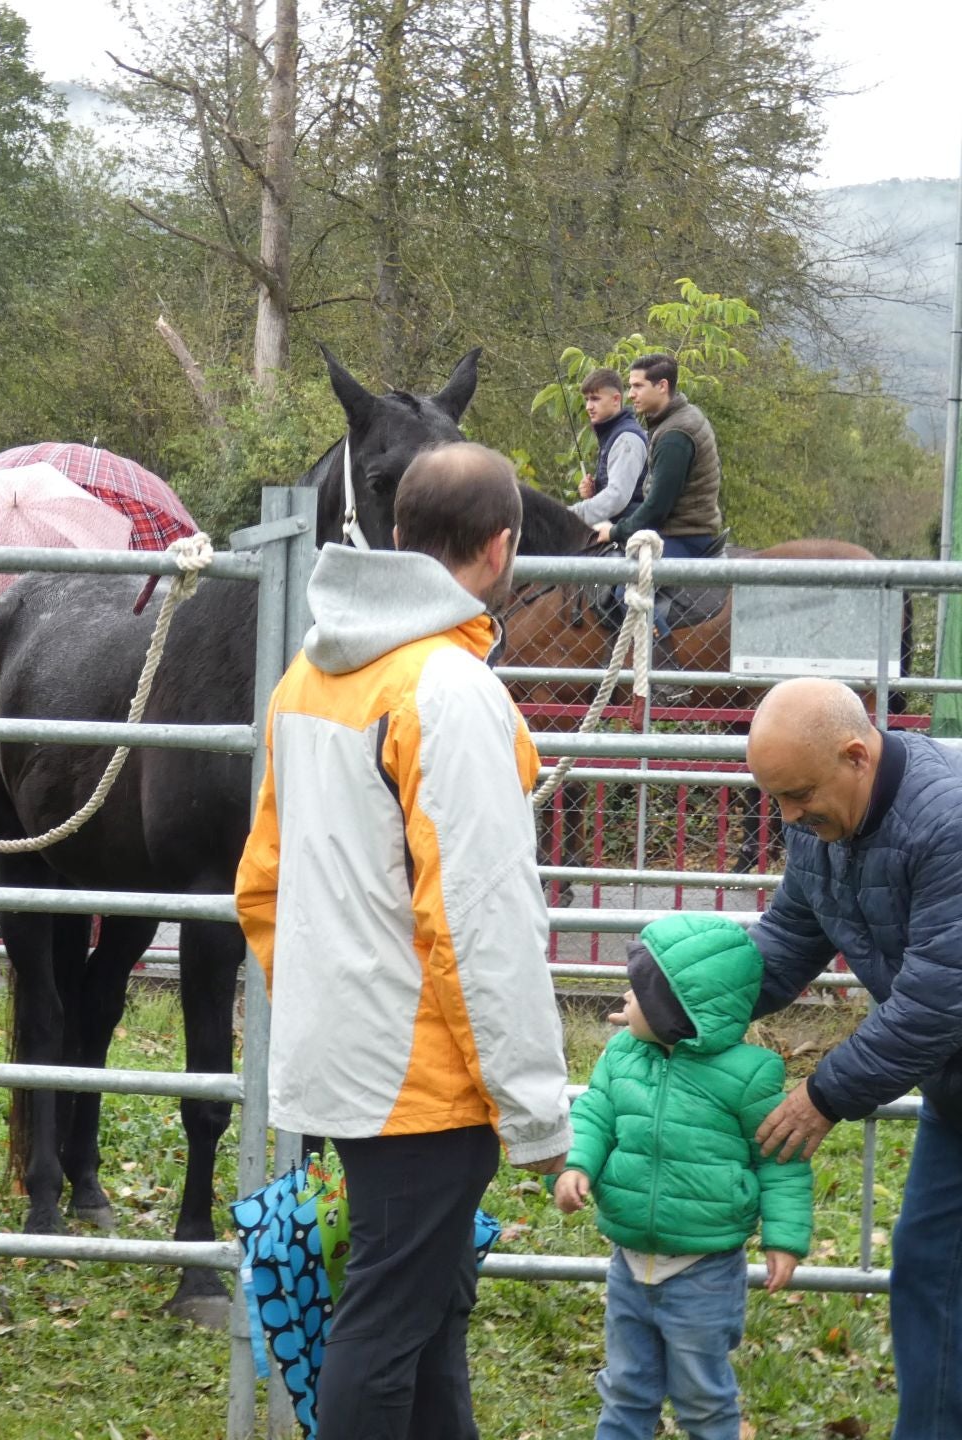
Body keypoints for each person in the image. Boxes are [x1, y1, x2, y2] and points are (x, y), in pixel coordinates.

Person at [235, 441, 573, 1440]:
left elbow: (262, 881)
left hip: (349, 1058)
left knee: (426, 1318)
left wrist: (321, 1009)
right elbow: (482, 923)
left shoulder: (310, 675)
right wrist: (533, 1110)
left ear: (396, 536)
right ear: (501, 549)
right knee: (386, 1327)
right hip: (425, 1079)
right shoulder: (450, 692)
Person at [744, 676, 962, 1440]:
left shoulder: (949, 821)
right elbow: (785, 945)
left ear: (856, 754)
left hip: (946, 1053)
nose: (789, 818)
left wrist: (822, 1095)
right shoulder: (820, 827)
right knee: (931, 1268)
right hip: (957, 1094)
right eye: (776, 799)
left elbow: (939, 1000)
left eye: (798, 794)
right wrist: (679, 1001)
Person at [553, 913, 812, 1440]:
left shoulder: (748, 1075)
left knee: (702, 1398)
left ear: (677, 1010)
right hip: (629, 1261)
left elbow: (779, 1157)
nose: (625, 999)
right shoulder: (622, 1054)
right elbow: (595, 1114)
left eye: (639, 991)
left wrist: (785, 1236)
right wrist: (576, 1164)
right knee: (626, 1388)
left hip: (704, 1269)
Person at [589, 353, 724, 659]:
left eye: (638, 386)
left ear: (662, 386)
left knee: (628, 592)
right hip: (682, 530)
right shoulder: (675, 420)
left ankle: (664, 677)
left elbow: (656, 509)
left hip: (685, 536)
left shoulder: (675, 434)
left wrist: (614, 531)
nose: (631, 394)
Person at [571, 367, 647, 530]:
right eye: (586, 400)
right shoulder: (613, 435)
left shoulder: (626, 439)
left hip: (629, 537)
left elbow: (617, 497)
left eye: (595, 399)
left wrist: (570, 516)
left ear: (616, 399)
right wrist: (594, 494)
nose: (588, 407)